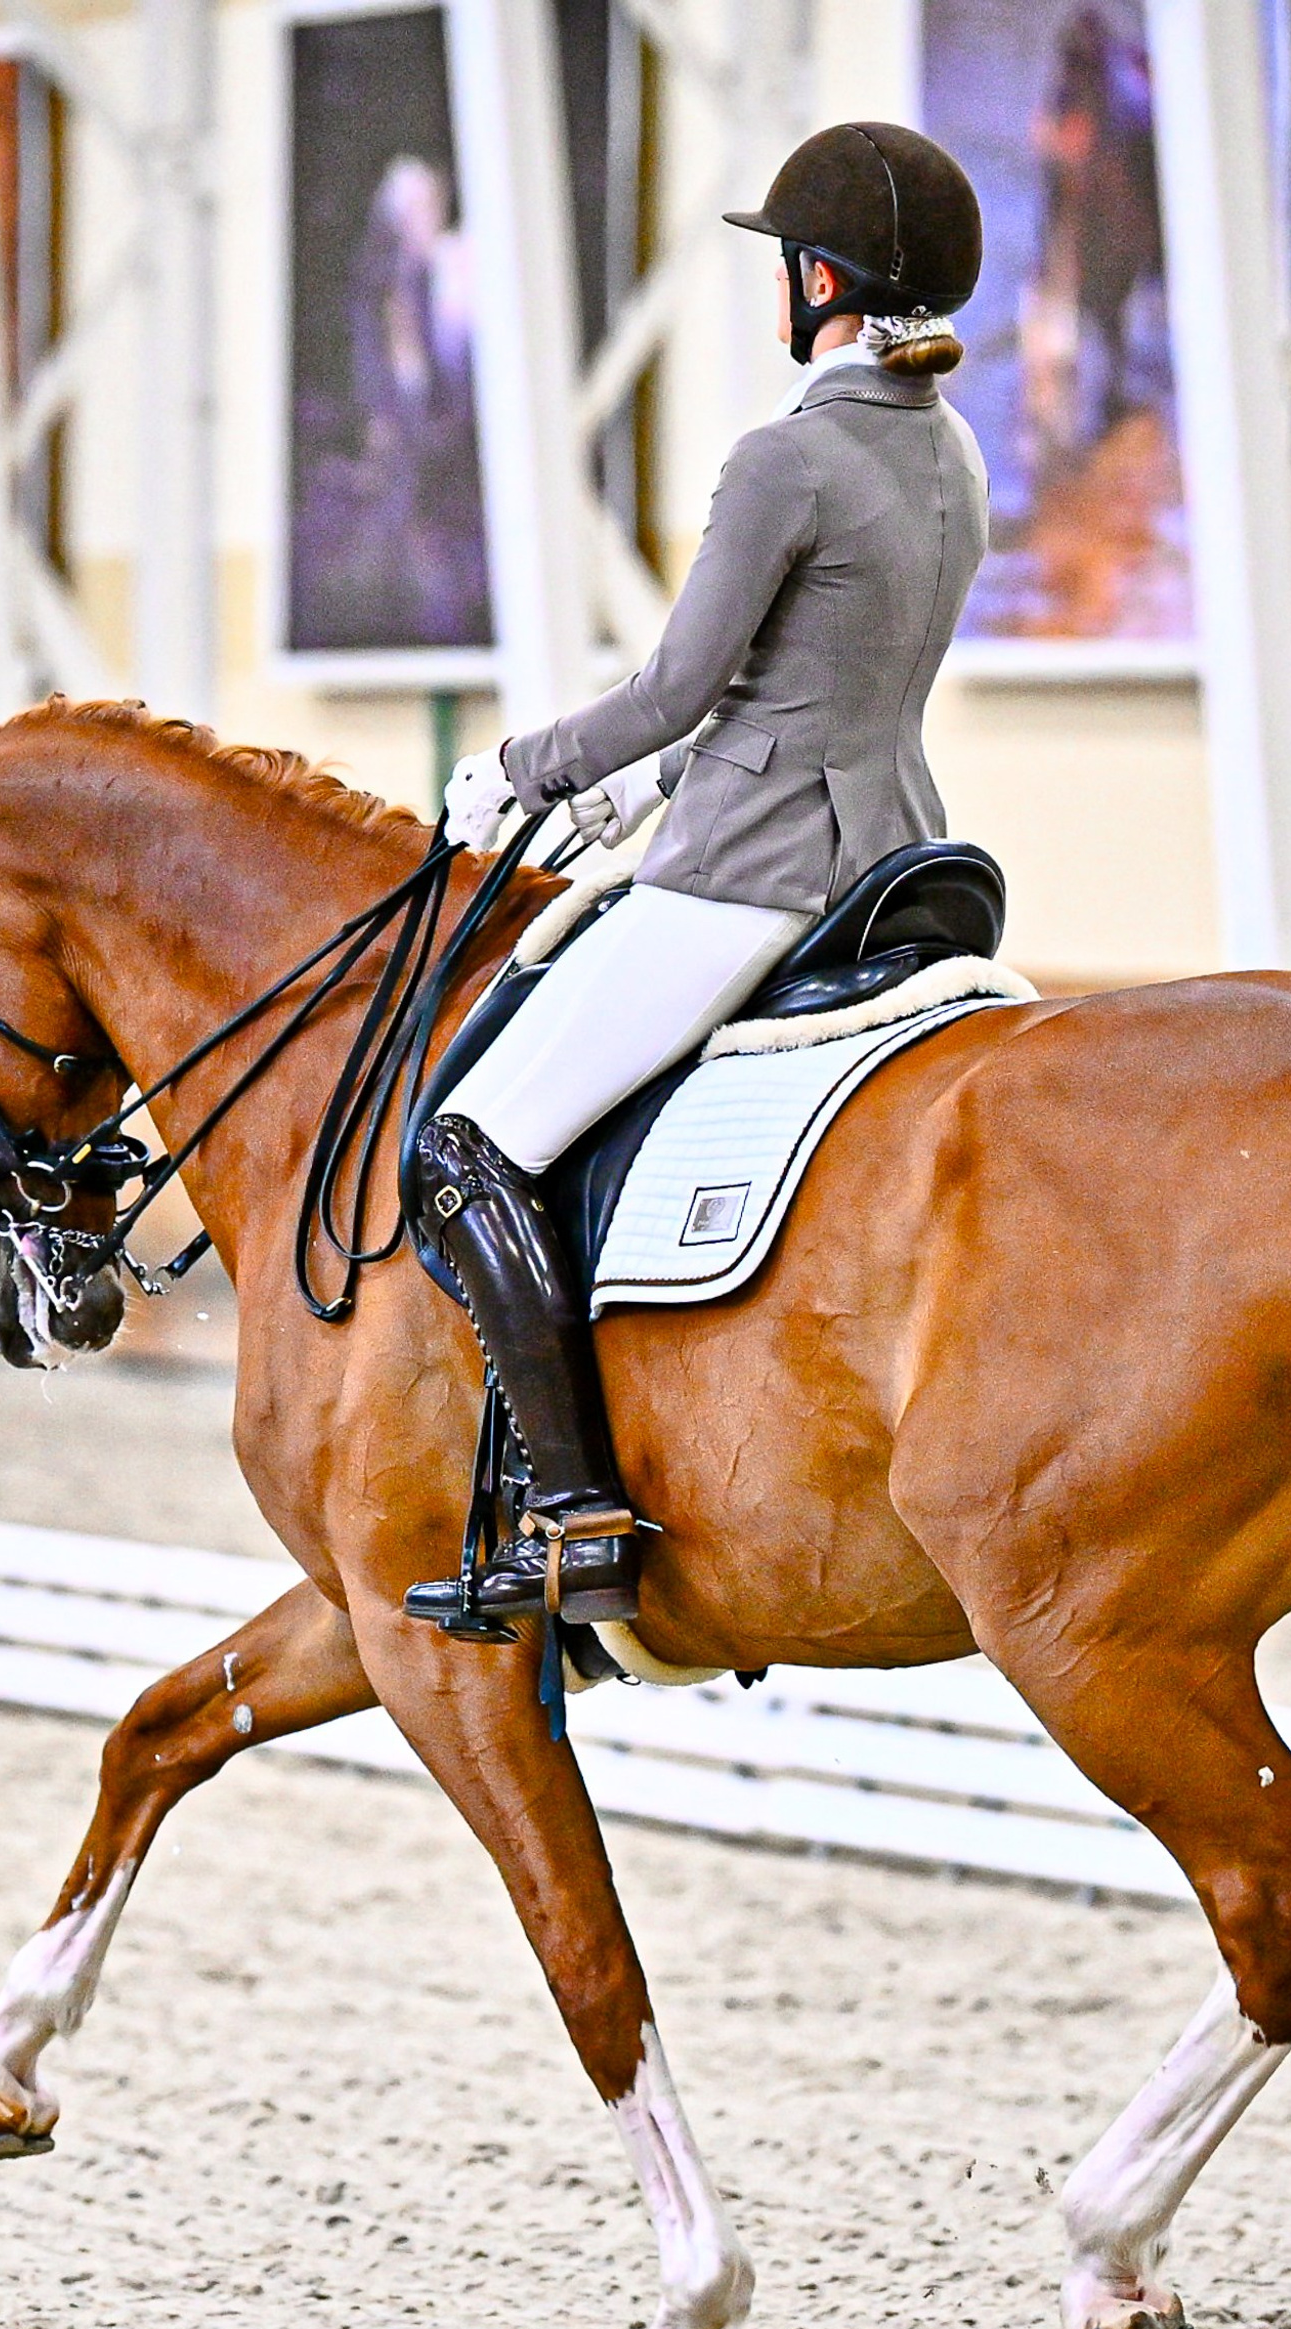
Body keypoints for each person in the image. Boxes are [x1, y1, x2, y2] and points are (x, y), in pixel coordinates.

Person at [406, 121, 990, 1636]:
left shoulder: (786, 457)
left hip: (754, 871)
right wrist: (650, 790)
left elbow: (679, 684)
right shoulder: (951, 454)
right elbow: (810, 683)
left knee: (469, 1144)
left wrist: (527, 770)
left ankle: (570, 1517)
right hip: (896, 847)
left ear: (819, 280)